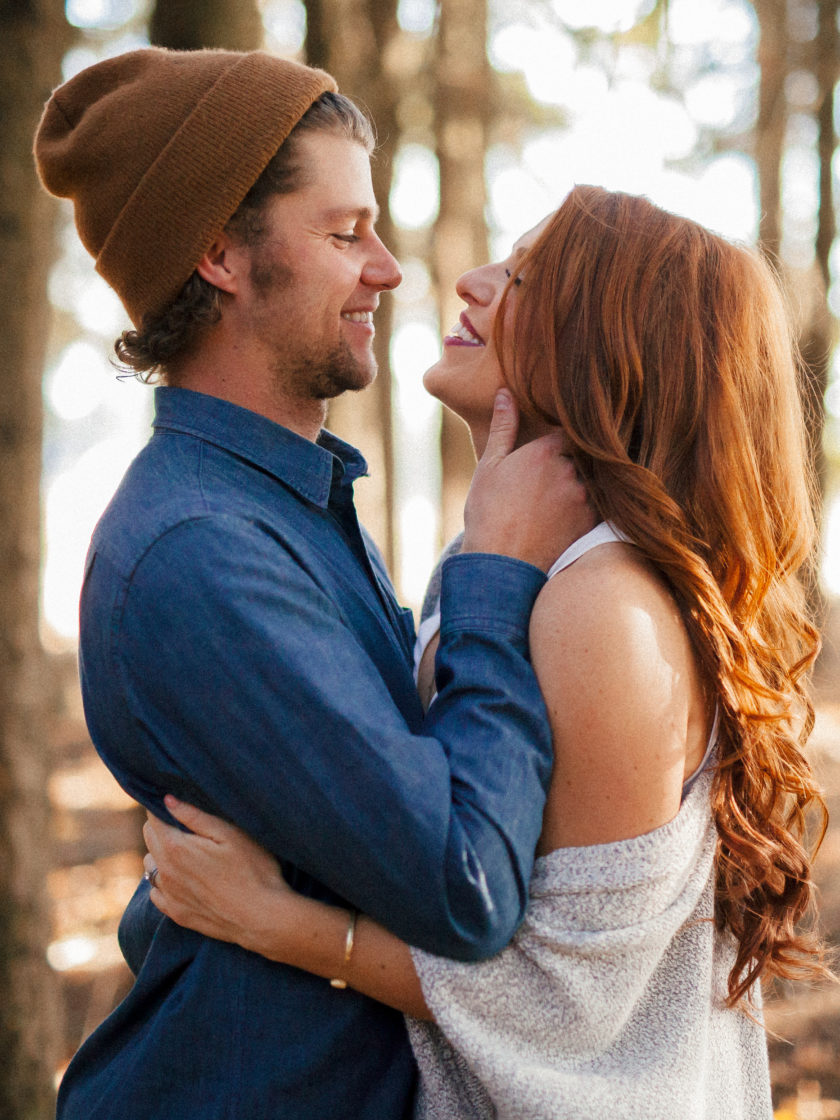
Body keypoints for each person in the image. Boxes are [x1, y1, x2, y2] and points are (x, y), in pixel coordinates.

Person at [143, 186, 830, 1120]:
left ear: (610, 342)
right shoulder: (505, 563)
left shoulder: (604, 608)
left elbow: (566, 1001)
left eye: (524, 278)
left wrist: (279, 922)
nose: (471, 282)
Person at [34, 48, 594, 1120]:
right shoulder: (200, 552)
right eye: (345, 234)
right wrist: (495, 570)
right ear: (220, 256)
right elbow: (464, 884)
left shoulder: (289, 503)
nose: (387, 270)